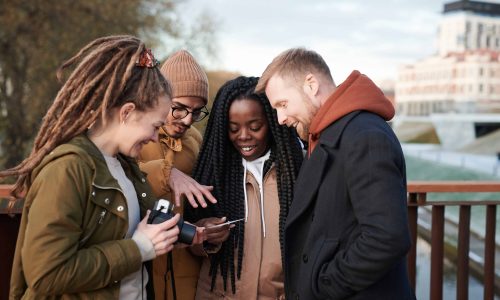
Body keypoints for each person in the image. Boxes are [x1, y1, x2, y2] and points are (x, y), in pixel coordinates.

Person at [1, 35, 203, 299]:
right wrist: (139, 248)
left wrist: (165, 233)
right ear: (127, 112)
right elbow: (46, 274)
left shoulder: (124, 167)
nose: (156, 137)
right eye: (154, 126)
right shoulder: (67, 169)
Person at [255, 48, 415, 299]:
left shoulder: (365, 137)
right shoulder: (325, 134)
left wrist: (320, 286)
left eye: (283, 105)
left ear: (311, 84)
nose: (280, 118)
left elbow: (386, 238)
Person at [184, 76, 304, 299]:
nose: (244, 136)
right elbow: (189, 248)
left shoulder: (296, 175)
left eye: (255, 126)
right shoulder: (213, 174)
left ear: (272, 122)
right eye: (233, 128)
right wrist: (204, 235)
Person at [137, 49, 216, 300]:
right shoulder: (134, 134)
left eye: (197, 111)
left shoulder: (196, 142)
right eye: (179, 108)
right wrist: (167, 173)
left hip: (185, 277)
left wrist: (207, 232)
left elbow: (196, 209)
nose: (188, 120)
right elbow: (116, 177)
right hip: (142, 271)